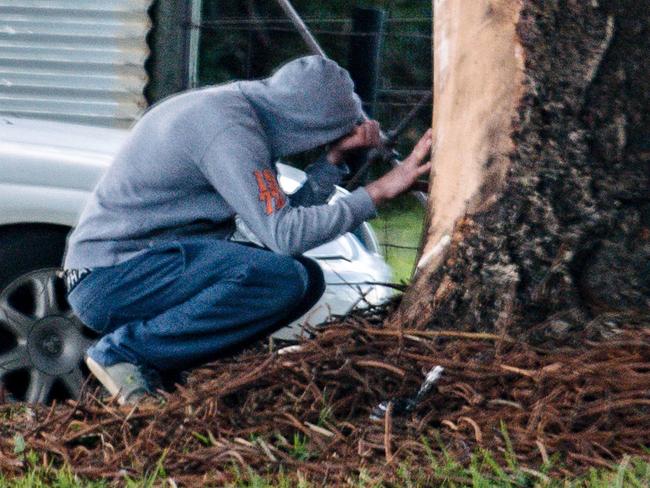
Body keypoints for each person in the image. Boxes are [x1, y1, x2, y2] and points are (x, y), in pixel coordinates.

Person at [63, 55, 432, 405]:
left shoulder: (238, 114)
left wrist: (333, 161)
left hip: (142, 269)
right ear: (306, 122)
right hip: (111, 277)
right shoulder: (229, 130)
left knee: (303, 277)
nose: (318, 143)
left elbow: (274, 232)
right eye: (325, 135)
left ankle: (163, 369)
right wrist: (380, 191)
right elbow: (285, 236)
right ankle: (125, 353)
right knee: (279, 277)